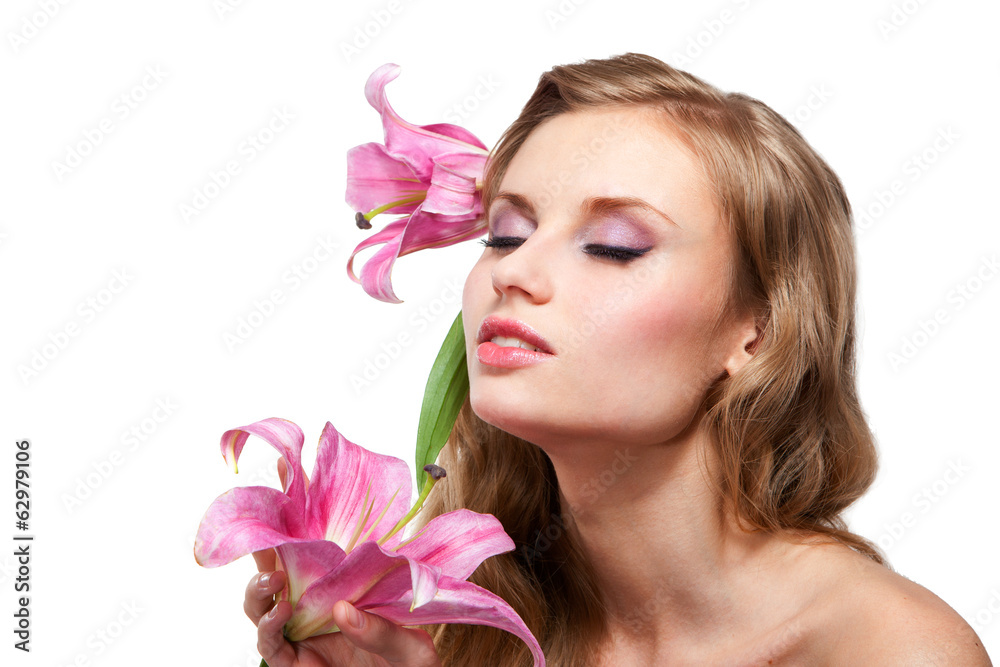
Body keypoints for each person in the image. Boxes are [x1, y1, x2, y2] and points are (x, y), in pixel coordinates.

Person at [244, 52, 992, 666]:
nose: (514, 272)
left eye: (615, 246)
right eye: (504, 234)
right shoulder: (447, 629)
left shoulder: (887, 648)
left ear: (755, 332)